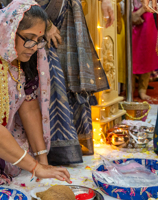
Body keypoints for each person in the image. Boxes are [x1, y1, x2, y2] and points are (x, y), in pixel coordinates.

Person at [0, 0, 71, 188]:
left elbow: (29, 109)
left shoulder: (21, 53)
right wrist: (35, 167)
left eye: (39, 40)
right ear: (9, 30)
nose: (34, 46)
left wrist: (42, 163)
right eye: (29, 38)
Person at [32, 0, 114, 165]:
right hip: (38, 12)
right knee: (46, 75)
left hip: (66, 11)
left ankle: (66, 144)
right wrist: (45, 23)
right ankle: (42, 148)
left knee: (65, 73)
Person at [132, 0, 158, 100]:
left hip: (147, 18)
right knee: (131, 56)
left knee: (147, 54)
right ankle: (130, 89)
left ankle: (142, 90)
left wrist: (140, 12)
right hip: (130, 17)